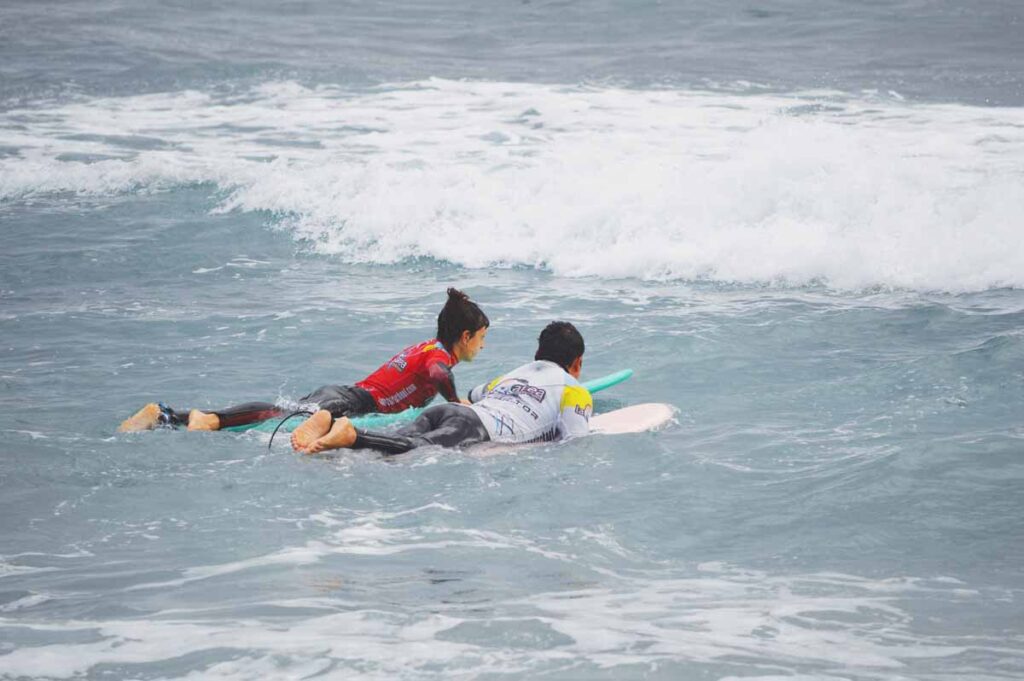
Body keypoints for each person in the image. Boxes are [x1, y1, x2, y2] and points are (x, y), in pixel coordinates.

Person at [118, 288, 489, 436]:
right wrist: (456, 403)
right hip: (352, 402)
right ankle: (202, 418)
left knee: (279, 414)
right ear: (465, 337)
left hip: (348, 397)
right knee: (279, 415)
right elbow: (436, 373)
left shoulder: (427, 346)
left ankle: (168, 417)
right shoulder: (438, 357)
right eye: (482, 339)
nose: (483, 348)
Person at [292, 321, 592, 455]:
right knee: (411, 451)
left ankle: (327, 426)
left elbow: (475, 394)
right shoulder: (575, 390)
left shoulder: (512, 376)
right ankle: (350, 434)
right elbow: (573, 441)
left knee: (390, 444)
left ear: (537, 355)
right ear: (576, 363)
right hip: (480, 428)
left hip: (449, 411)